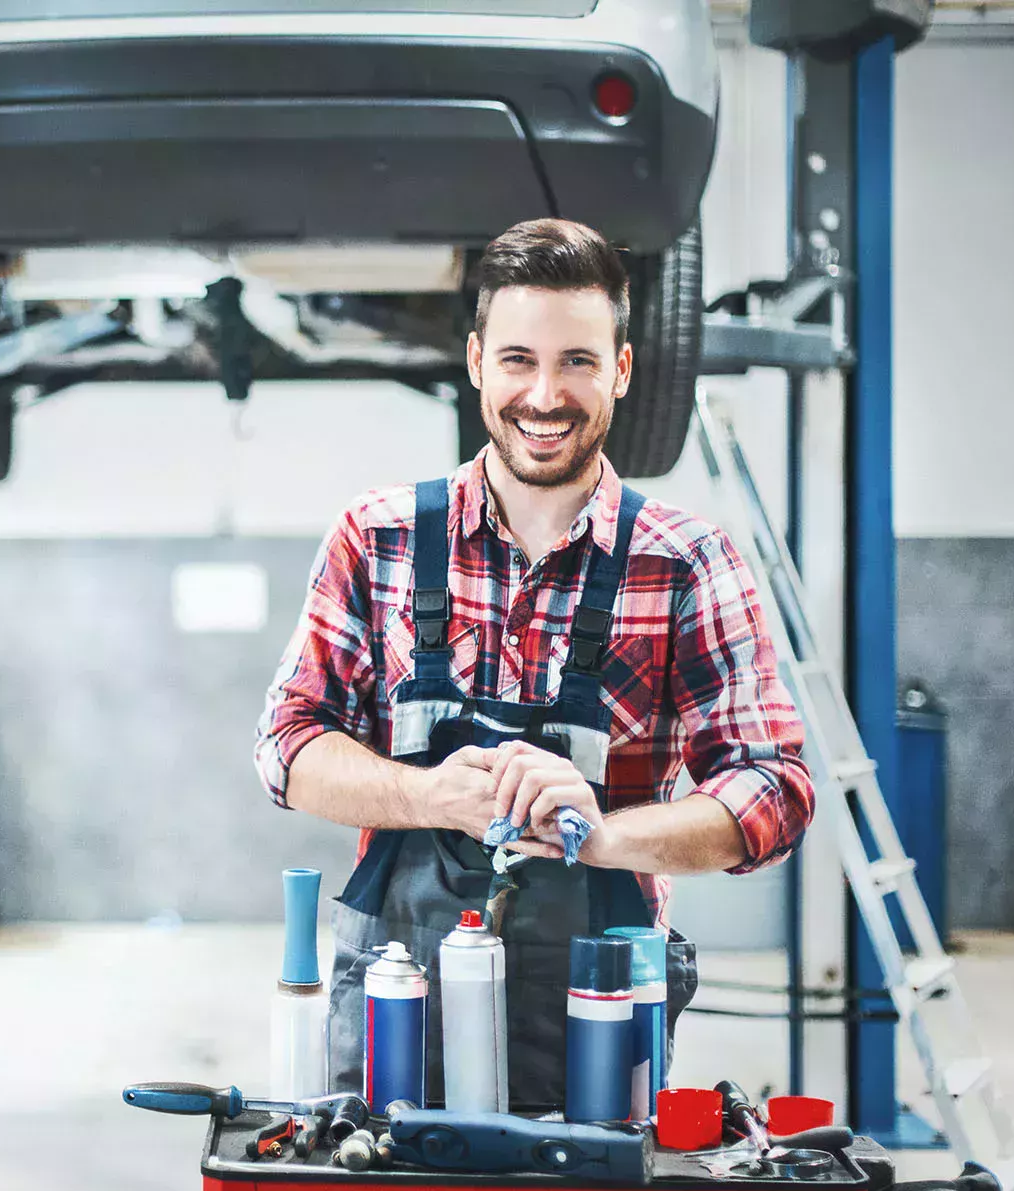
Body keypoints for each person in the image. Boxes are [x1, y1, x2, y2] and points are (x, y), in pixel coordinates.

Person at [254, 217, 816, 1107]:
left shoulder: (687, 563)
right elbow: (286, 746)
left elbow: (775, 790)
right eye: (519, 359)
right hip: (401, 1005)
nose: (545, 395)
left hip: (603, 1006)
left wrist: (602, 836)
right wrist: (430, 794)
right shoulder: (381, 536)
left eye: (579, 362)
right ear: (477, 361)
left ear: (623, 371)